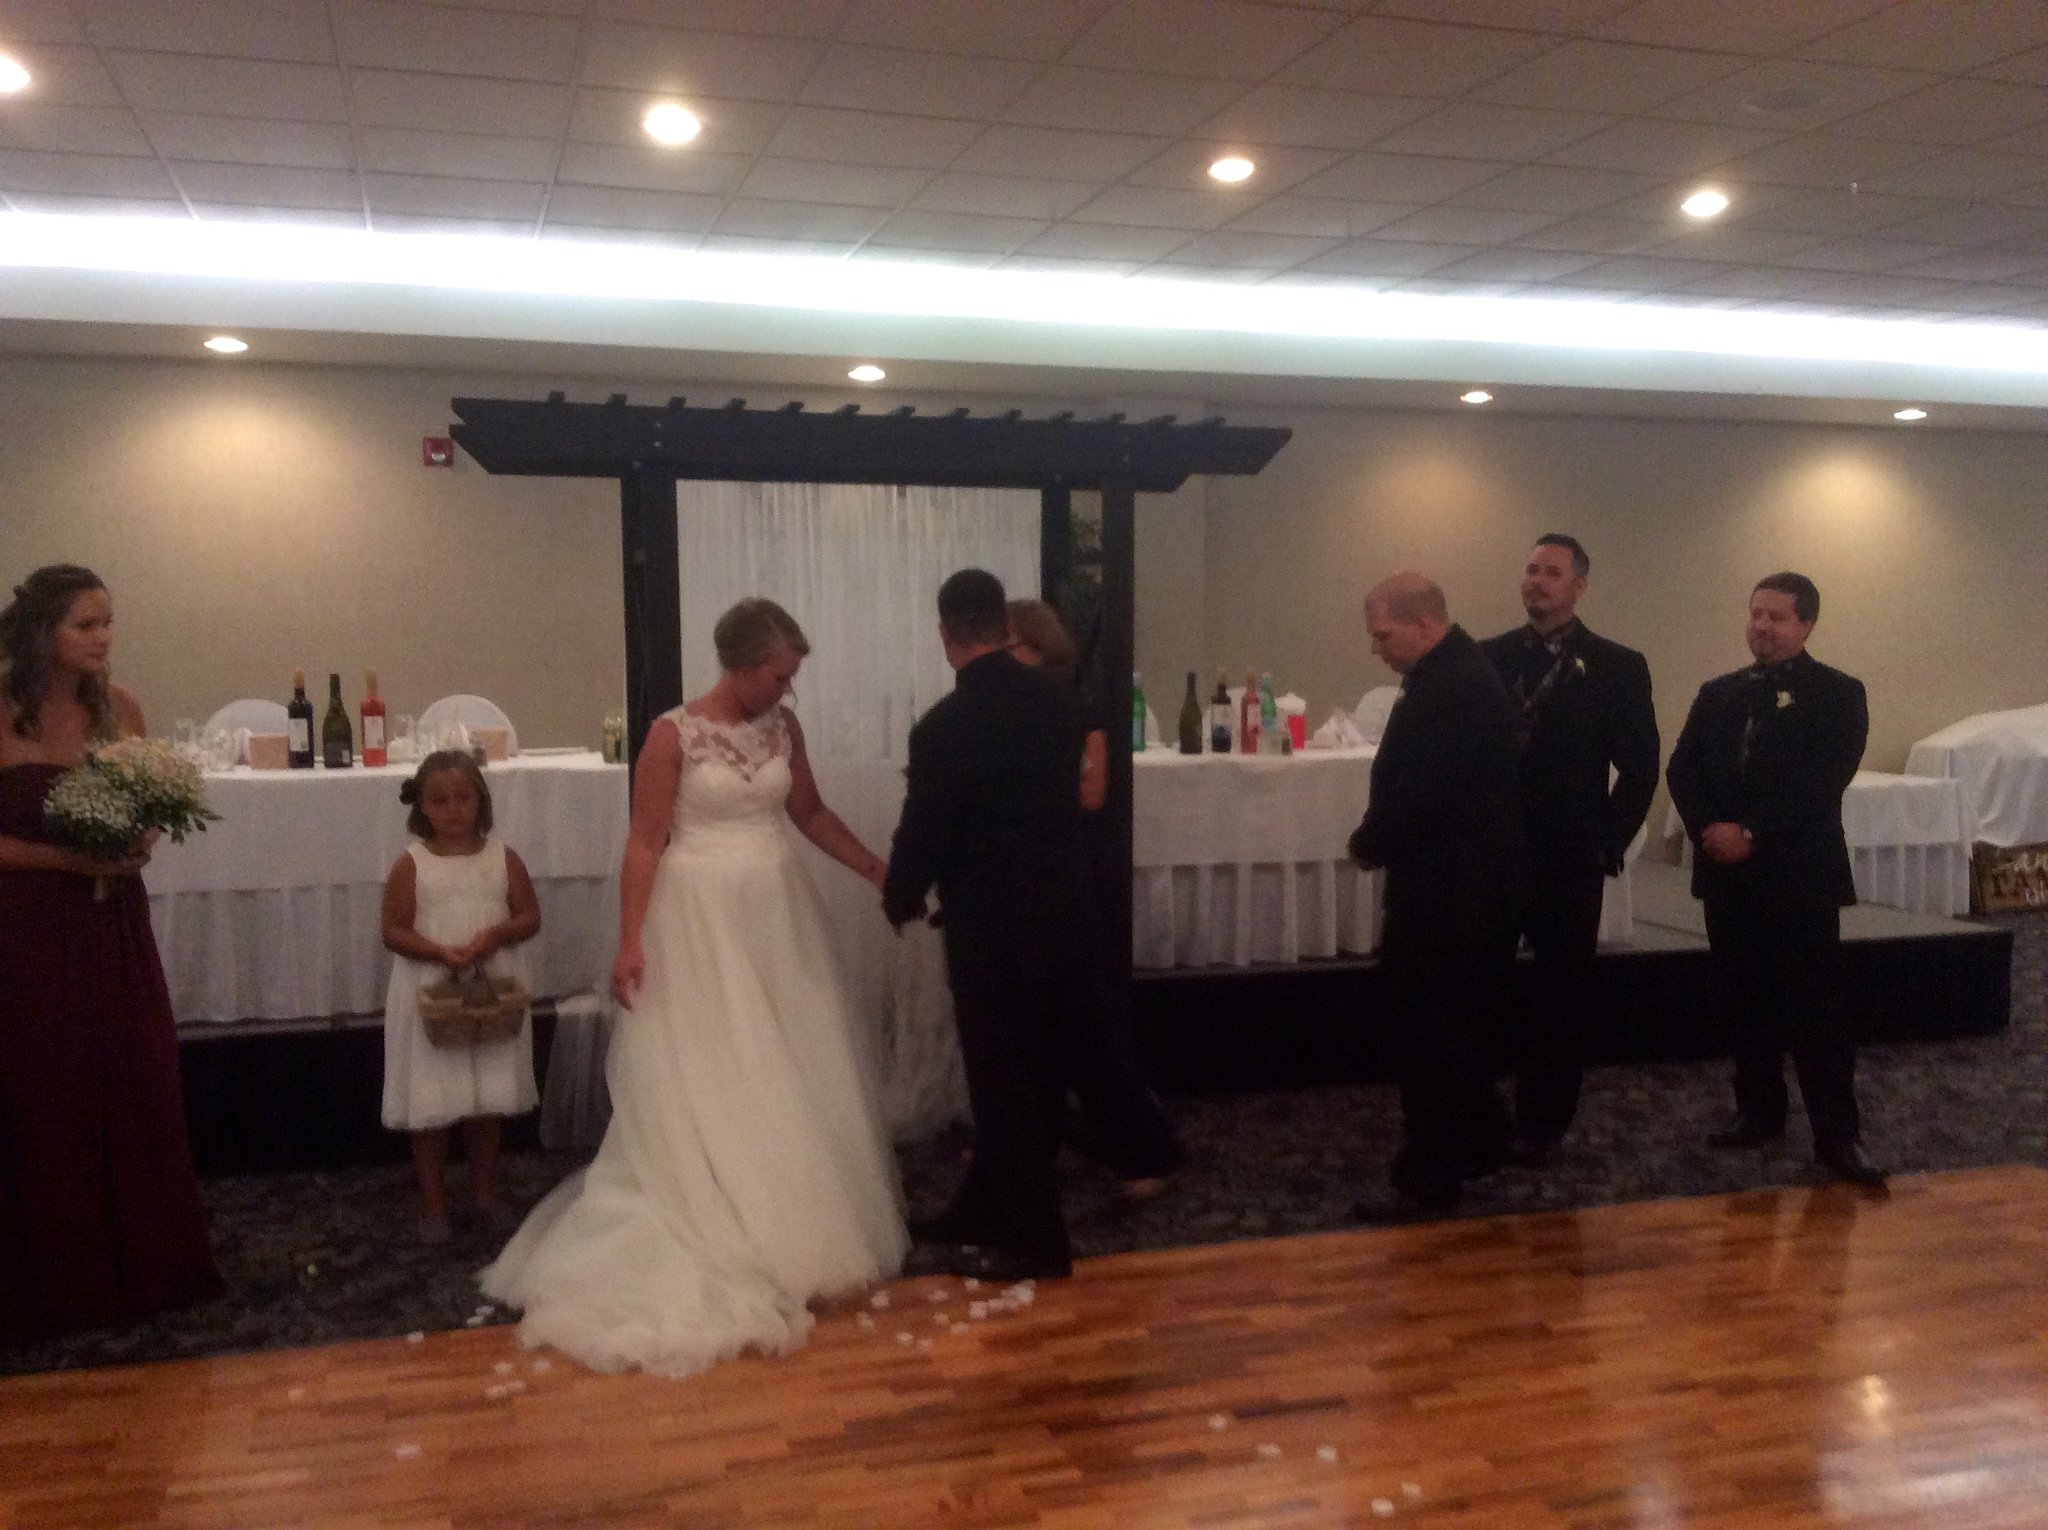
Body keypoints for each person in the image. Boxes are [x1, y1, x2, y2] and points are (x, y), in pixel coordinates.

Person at [481, 597, 906, 1376]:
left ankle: (785, 1210)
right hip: (699, 917)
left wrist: (874, 867)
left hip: (775, 911)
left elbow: (809, 811)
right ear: (739, 668)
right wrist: (630, 941)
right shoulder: (672, 735)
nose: (787, 688)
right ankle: (713, 1206)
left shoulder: (784, 728)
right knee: (712, 1063)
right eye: (778, 675)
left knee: (784, 1059)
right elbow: (646, 843)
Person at [0, 563, 222, 1337]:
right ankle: (53, 1273)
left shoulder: (120, 709)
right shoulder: (2, 712)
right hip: (25, 929)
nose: (103, 638)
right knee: (44, 1087)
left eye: (107, 623)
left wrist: (141, 836)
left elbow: (150, 800)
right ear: (43, 632)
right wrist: (67, 859)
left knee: (128, 1071)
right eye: (85, 625)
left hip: (110, 923)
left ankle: (141, 1262)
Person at [884, 571, 1091, 1280]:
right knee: (1037, 1074)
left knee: (1001, 1083)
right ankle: (985, 1207)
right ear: (1005, 627)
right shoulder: (1059, 705)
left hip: (992, 923)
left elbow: (926, 828)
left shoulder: (944, 728)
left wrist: (899, 895)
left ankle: (1037, 1240)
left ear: (946, 635)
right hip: (1063, 909)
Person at [1666, 573, 1885, 1189]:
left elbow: (1823, 781)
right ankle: (1758, 1111)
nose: (1762, 626)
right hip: (1727, 875)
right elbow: (1682, 767)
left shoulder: (1838, 693)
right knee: (1743, 1000)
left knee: (1816, 1010)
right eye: (1756, 614)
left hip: (1798, 876)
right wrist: (1709, 828)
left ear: (1807, 625)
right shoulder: (1719, 692)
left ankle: (1837, 1137)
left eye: (1777, 617)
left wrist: (1752, 833)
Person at [1347, 573, 1528, 1222]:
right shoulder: (1458, 674)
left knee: (1429, 1034)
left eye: (1383, 635)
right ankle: (1480, 1139)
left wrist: (1370, 842)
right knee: (1450, 1028)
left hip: (1450, 889)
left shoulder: (1448, 690)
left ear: (1424, 625)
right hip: (1469, 884)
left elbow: (1420, 792)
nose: (1376, 648)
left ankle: (1432, 1175)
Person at [1478, 535, 1658, 1166]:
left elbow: (1640, 767)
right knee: (1479, 988)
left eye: (1552, 573)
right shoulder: (1487, 658)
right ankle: (1475, 1115)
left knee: (1560, 996)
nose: (1537, 581)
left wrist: (1606, 842)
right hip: (1493, 855)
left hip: (1567, 857)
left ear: (1579, 586)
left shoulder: (1617, 666)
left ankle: (1543, 1124)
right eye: (1531, 569)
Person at [1006, 597, 1183, 1203]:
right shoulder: (1018, 708)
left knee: (1085, 1025)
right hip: (1030, 879)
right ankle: (1033, 1140)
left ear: (1033, 647)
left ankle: (1146, 1147)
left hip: (1069, 877)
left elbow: (1092, 793)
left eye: (1006, 646)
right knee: (1038, 1025)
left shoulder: (1077, 710)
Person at [380, 750, 543, 1244]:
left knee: (485, 1101)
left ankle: (483, 1195)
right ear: (422, 807)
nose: (453, 809)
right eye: (440, 800)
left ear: (480, 802)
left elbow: (529, 916)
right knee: (432, 1103)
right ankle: (433, 1204)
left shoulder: (503, 858)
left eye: (462, 798)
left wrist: (495, 936)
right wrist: (438, 952)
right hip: (432, 992)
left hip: (488, 990)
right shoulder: (412, 864)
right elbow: (392, 930)